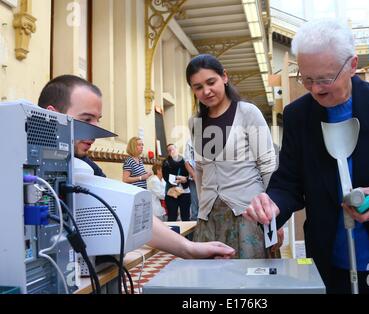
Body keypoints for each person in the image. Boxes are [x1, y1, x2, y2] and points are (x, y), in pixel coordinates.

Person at [243, 19, 369, 294]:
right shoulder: (299, 116)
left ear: (352, 66)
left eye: (325, 79)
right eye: (306, 78)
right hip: (332, 264)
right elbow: (288, 184)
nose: (315, 89)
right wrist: (272, 203)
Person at [38, 74, 235, 259]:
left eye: (98, 120)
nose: (95, 130)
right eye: (86, 119)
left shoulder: (87, 166)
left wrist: (189, 249)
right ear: (52, 116)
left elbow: (132, 213)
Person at [186, 54, 282, 259]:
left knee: (252, 282)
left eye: (211, 82)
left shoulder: (248, 113)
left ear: (224, 77)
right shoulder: (195, 123)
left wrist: (275, 218)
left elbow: (268, 166)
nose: (206, 91)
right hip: (209, 220)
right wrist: (202, 209)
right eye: (198, 87)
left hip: (248, 216)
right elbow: (201, 171)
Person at [162, 144, 191, 222]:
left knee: (185, 217)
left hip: (185, 192)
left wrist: (186, 179)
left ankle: (186, 235)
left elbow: (190, 174)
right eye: (169, 150)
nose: (171, 151)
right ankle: (172, 234)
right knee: (172, 217)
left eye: (173, 149)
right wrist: (178, 179)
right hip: (172, 192)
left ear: (177, 149)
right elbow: (165, 177)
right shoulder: (166, 162)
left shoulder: (185, 160)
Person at [184, 138, 199, 220]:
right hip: (194, 179)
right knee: (195, 206)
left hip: (208, 179)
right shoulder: (190, 142)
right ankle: (195, 230)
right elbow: (187, 162)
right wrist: (195, 176)